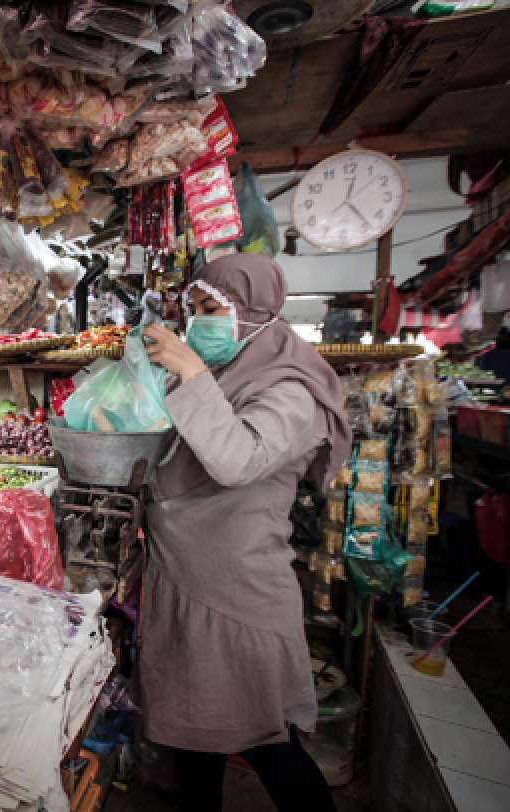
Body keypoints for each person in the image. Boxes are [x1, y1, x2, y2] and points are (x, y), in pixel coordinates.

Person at [140, 253, 351, 812]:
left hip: (236, 598)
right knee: (195, 735)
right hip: (186, 583)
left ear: (255, 312)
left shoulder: (292, 390)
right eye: (194, 310)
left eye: (211, 309)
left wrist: (191, 371)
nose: (198, 323)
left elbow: (235, 460)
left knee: (266, 740)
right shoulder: (234, 370)